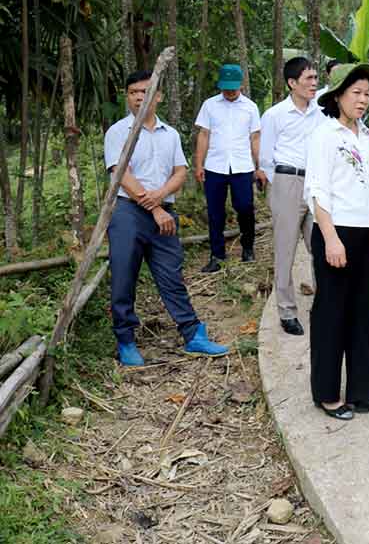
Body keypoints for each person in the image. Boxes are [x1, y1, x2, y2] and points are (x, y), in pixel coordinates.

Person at [304, 62, 369, 420]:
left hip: (367, 233)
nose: (363, 100)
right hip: (337, 232)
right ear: (338, 96)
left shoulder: (368, 137)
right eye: (356, 93)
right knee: (332, 312)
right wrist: (331, 238)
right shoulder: (324, 135)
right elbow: (316, 191)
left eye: (367, 94)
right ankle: (327, 393)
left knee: (365, 313)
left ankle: (367, 390)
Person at [105, 70, 229, 366]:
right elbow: (120, 173)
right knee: (124, 275)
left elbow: (181, 172)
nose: (138, 97)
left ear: (158, 96)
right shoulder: (118, 132)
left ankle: (193, 334)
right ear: (127, 97)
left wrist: (161, 197)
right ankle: (126, 340)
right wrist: (155, 207)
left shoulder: (170, 133)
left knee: (171, 275)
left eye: (145, 91)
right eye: (133, 92)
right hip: (127, 213)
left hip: (163, 212)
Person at [258, 57, 325, 336]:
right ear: (292, 83)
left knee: (320, 245)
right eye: (308, 79)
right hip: (287, 181)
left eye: (315, 78)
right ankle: (286, 311)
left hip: (317, 183)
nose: (314, 83)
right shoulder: (275, 115)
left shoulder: (321, 111)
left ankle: (325, 304)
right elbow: (265, 158)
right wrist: (281, 187)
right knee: (285, 250)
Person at [193, 64, 262, 273]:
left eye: (233, 87)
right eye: (226, 88)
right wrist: (199, 164)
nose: (230, 92)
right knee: (215, 212)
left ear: (241, 84)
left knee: (245, 207)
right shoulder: (210, 105)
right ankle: (217, 255)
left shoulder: (250, 107)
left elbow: (255, 138)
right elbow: (203, 135)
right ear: (220, 86)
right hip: (215, 166)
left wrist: (260, 166)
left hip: (242, 166)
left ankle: (248, 248)